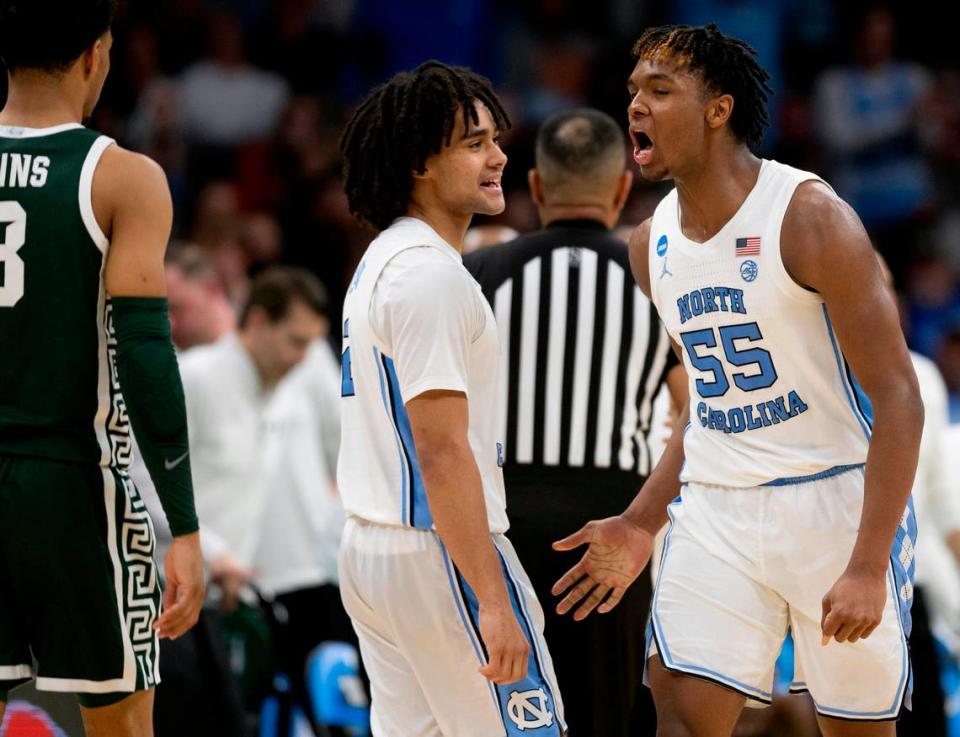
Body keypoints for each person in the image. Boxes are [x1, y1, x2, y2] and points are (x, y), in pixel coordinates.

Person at [552, 24, 923, 737]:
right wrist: (640, 519)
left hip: (836, 503)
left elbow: (901, 399)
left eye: (660, 90)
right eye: (633, 91)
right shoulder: (648, 244)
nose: (636, 105)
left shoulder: (810, 218)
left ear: (718, 110)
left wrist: (870, 563)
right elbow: (709, 410)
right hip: (718, 510)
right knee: (680, 721)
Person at [337, 60, 566, 736]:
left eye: (496, 138)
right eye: (474, 143)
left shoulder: (382, 259)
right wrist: (491, 599)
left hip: (373, 551)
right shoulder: (430, 277)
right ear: (418, 163)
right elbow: (439, 450)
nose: (498, 156)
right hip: (440, 552)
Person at [0, 1, 205, 735]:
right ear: (95, 54)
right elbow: (146, 358)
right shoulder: (120, 176)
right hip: (74, 485)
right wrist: (182, 524)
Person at [464, 107, 685, 737]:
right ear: (621, 188)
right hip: (616, 526)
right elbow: (697, 410)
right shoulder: (656, 282)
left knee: (500, 714)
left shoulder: (477, 275)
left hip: (499, 524)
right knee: (603, 716)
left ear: (534, 187)